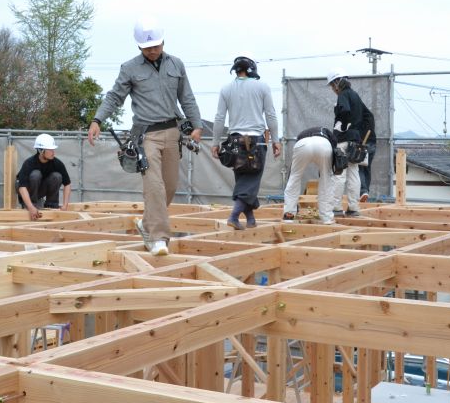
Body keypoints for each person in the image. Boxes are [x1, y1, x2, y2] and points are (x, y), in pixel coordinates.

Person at [87, 17, 202, 256]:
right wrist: (97, 119)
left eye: (156, 46)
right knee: (154, 186)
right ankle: (158, 238)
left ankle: (145, 223)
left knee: (169, 186)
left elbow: (187, 97)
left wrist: (197, 125)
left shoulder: (176, 65)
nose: (152, 50)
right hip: (146, 135)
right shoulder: (129, 68)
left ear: (163, 42)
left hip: (172, 132)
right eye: (147, 47)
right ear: (138, 46)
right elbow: (114, 96)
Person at [212, 56, 282, 229]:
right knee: (250, 182)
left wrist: (215, 142)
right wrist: (276, 140)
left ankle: (250, 220)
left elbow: (220, 117)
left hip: (234, 142)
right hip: (256, 142)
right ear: (252, 70)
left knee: (244, 181)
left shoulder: (226, 89)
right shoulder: (262, 87)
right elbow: (270, 114)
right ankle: (234, 216)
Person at [327, 69, 367, 217]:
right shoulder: (355, 96)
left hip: (344, 140)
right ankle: (354, 208)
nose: (333, 89)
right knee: (354, 174)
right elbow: (367, 116)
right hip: (355, 140)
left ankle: (336, 208)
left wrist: (342, 126)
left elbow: (344, 111)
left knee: (339, 174)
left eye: (332, 86)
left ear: (337, 83)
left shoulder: (343, 94)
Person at [282, 127, 338, 224]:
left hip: (302, 145)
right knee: (326, 181)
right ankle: (327, 217)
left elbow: (292, 172)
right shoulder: (326, 131)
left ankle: (288, 215)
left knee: (294, 178)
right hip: (323, 144)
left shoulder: (302, 134)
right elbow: (334, 146)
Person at [16, 133, 72, 221]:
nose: (53, 152)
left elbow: (67, 184)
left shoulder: (57, 163)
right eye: (50, 150)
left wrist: (65, 206)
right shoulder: (29, 163)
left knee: (57, 176)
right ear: (41, 150)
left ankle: (51, 204)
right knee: (36, 174)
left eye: (53, 149)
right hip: (26, 190)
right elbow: (22, 187)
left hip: (40, 189)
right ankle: (33, 204)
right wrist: (31, 207)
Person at [358, 103, 376, 203]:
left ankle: (363, 191)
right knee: (367, 169)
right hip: (372, 144)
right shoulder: (370, 116)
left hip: (363, 144)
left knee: (359, 168)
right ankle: (366, 192)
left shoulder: (358, 118)